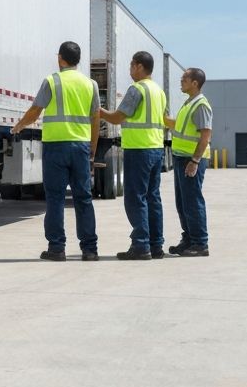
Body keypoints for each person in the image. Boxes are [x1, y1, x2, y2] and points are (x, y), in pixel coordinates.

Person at [12, 41, 100, 261]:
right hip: (80, 146)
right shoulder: (91, 84)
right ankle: (90, 249)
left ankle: (56, 248)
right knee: (83, 197)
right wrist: (93, 147)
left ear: (60, 58)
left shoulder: (52, 81)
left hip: (55, 147)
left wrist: (19, 125)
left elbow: (35, 110)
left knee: (55, 198)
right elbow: (96, 118)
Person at [99, 50, 167, 260]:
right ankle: (156, 245)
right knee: (153, 198)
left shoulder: (136, 89)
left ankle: (140, 245)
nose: (130, 70)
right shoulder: (158, 91)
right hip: (156, 148)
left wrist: (99, 111)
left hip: (139, 149)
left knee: (135, 198)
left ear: (139, 66)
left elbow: (118, 117)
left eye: (131, 65)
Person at [163, 67, 212, 256]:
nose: (181, 81)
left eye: (185, 78)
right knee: (182, 203)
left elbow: (205, 135)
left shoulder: (200, 105)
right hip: (181, 157)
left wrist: (195, 160)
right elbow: (178, 126)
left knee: (192, 202)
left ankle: (200, 244)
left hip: (191, 160)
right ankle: (189, 239)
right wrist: (162, 118)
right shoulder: (188, 103)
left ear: (195, 83)